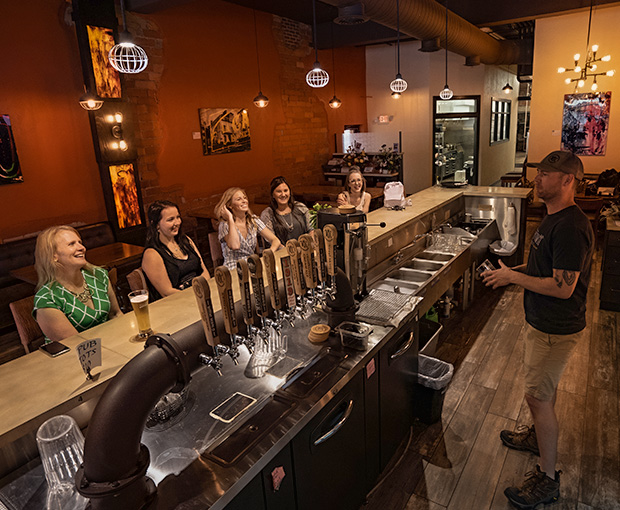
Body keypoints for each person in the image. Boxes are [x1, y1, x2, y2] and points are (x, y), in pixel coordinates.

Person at [481, 150, 594, 509]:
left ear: (567, 180)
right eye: (539, 172)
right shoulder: (553, 218)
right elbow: (547, 266)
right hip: (543, 323)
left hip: (555, 328)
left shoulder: (571, 227)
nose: (538, 179)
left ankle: (547, 479)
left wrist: (514, 277)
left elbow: (564, 287)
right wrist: (513, 271)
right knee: (544, 390)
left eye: (546, 175)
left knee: (537, 398)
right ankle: (535, 437)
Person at [33, 225, 122, 342]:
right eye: (71, 244)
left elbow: (116, 314)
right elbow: (75, 344)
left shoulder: (98, 275)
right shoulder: (47, 299)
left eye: (80, 242)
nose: (82, 248)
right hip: (74, 356)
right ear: (53, 256)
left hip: (111, 344)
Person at [142, 200, 210, 300]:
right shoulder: (152, 254)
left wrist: (204, 292)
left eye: (178, 217)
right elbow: (167, 292)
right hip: (178, 302)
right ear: (156, 225)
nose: (177, 223)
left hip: (200, 295)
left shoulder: (185, 240)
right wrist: (196, 295)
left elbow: (204, 271)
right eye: (170, 219)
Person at [215, 187, 281, 270]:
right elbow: (235, 245)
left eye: (245, 198)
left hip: (252, 265)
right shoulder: (225, 224)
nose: (244, 201)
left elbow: (275, 240)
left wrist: (267, 255)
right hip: (233, 268)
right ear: (230, 205)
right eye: (239, 199)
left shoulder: (253, 220)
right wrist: (230, 218)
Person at [260, 176, 313, 245]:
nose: (283, 194)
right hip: (281, 253)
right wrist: (289, 252)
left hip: (305, 250)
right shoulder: (267, 214)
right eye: (279, 191)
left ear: (290, 192)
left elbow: (311, 229)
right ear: (273, 195)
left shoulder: (300, 207)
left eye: (285, 190)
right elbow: (271, 241)